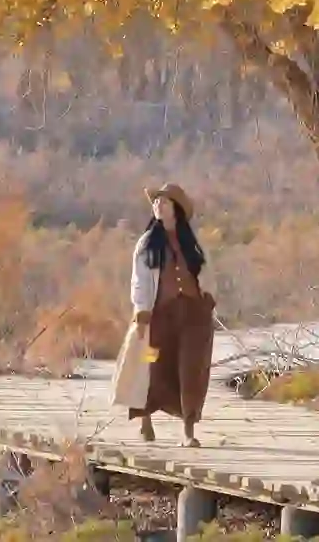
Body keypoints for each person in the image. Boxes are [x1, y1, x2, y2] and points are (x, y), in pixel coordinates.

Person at [129, 182, 215, 447]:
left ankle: (189, 430)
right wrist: (141, 308)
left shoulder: (190, 241)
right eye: (156, 202)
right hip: (158, 315)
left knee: (191, 369)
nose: (158, 205)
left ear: (175, 208)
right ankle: (145, 419)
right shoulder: (147, 243)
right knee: (150, 364)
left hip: (191, 314)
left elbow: (206, 272)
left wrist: (209, 295)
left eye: (163, 202)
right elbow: (140, 279)